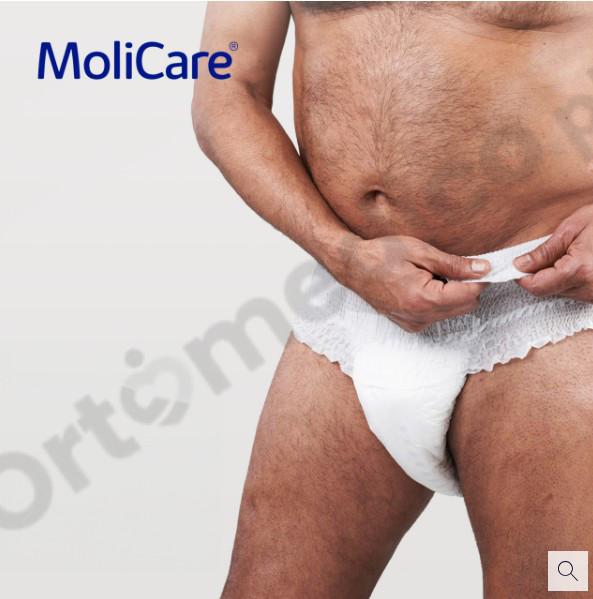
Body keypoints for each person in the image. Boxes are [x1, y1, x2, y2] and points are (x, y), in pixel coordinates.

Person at [192, 2, 593, 597]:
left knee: (558, 587)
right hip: (353, 300)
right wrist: (342, 254)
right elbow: (227, 89)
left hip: (553, 300)